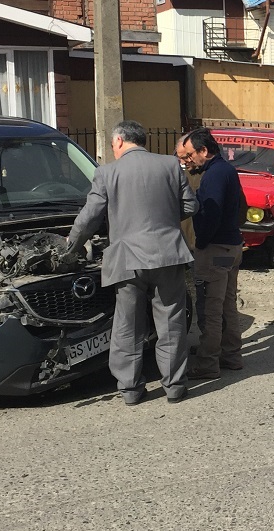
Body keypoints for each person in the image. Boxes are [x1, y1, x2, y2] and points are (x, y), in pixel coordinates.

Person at [66, 120, 197, 406]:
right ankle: (174, 387)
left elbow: (89, 218)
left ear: (120, 141)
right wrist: (163, 222)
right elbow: (190, 206)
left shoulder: (106, 173)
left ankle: (131, 390)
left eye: (113, 145)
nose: (112, 149)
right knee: (171, 321)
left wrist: (71, 248)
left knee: (128, 326)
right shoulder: (170, 165)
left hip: (127, 260)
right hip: (168, 255)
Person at [179, 128, 248, 380]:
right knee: (227, 303)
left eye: (190, 155)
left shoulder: (213, 175)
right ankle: (231, 355)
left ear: (204, 151)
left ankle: (208, 363)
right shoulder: (226, 169)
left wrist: (202, 243)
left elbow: (211, 214)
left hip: (216, 249)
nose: (188, 161)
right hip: (232, 247)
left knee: (210, 306)